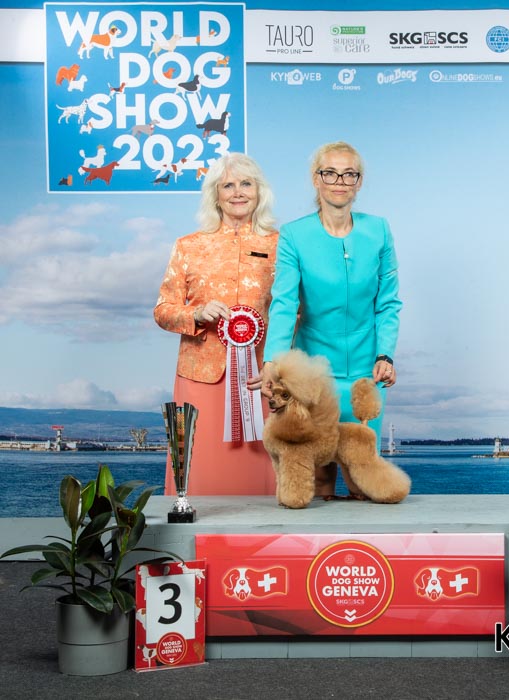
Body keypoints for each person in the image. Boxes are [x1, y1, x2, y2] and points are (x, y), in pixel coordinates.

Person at [261, 141, 402, 497]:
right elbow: (284, 302)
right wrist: (272, 362)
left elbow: (388, 303)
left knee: (363, 480)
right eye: (330, 173)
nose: (339, 182)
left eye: (349, 174)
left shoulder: (379, 230)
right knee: (318, 480)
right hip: (313, 376)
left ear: (359, 181)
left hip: (367, 373)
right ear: (316, 179)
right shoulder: (294, 235)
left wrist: (385, 355)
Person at [154, 152, 278, 495]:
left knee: (263, 473)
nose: (238, 192)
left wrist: (280, 361)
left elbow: (296, 311)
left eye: (246, 184)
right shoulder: (188, 246)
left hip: (262, 377)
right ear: (215, 194)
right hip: (199, 378)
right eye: (228, 185)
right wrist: (195, 314)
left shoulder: (281, 245)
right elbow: (162, 310)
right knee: (198, 473)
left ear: (259, 191)